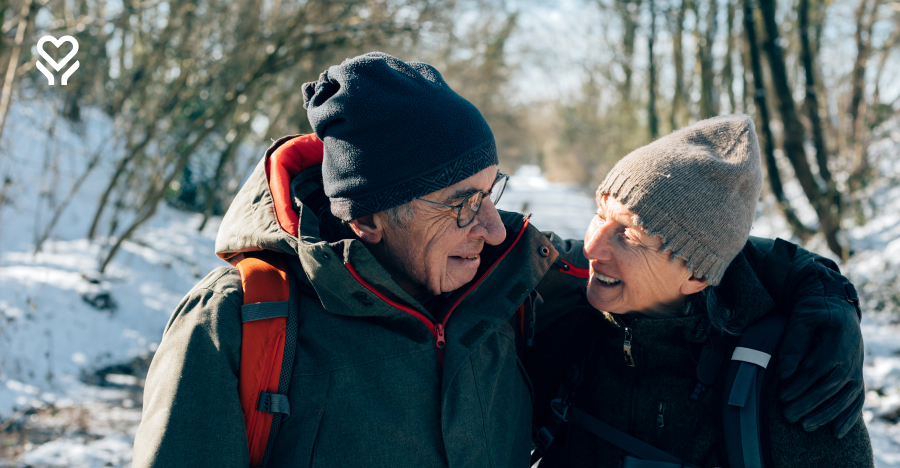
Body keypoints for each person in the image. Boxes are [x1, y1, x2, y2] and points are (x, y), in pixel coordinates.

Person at [133, 53, 864, 468]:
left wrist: (823, 297)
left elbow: (702, 252)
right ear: (368, 216)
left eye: (492, 193)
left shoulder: (512, 280)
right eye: (459, 202)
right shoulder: (242, 324)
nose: (490, 226)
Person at [530, 115, 873, 467]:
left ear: (695, 275)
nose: (591, 248)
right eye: (601, 215)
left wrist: (831, 295)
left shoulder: (793, 374)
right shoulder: (559, 306)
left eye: (629, 235)